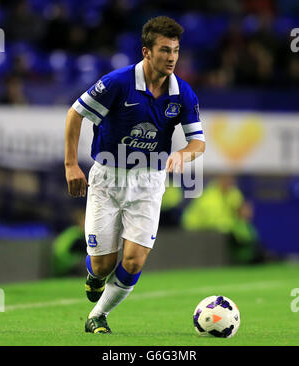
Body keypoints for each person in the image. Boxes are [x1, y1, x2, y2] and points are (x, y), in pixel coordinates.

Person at [64, 16, 205, 334]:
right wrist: (71, 165)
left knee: (133, 261)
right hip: (107, 178)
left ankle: (97, 316)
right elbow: (75, 114)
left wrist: (184, 153)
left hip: (148, 182)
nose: (171, 57)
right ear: (147, 51)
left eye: (176, 51)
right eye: (165, 50)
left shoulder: (182, 93)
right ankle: (94, 276)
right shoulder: (118, 82)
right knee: (102, 264)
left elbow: (198, 141)